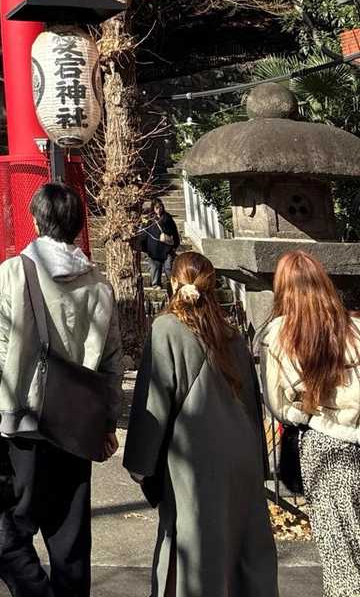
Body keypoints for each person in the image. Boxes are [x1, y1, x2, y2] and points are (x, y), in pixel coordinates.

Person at [0, 183, 123, 597]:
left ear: (37, 222)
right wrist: (108, 421)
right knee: (70, 546)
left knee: (9, 536)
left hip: (24, 424)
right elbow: (112, 362)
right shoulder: (99, 285)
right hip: (76, 428)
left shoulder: (14, 273)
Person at [124, 250, 277, 597]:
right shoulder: (232, 335)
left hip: (195, 460)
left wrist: (141, 466)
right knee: (241, 553)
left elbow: (154, 401)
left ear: (173, 283)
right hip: (242, 458)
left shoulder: (167, 329)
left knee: (194, 558)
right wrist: (260, 464)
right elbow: (252, 403)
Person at [263, 250, 360, 597]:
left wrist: (304, 415)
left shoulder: (280, 335)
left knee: (341, 560)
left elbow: (277, 404)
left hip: (324, 447)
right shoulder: (353, 328)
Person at [136, 197, 180, 287]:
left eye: (160, 207)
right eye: (156, 208)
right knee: (155, 268)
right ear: (153, 208)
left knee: (169, 268)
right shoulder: (148, 220)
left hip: (167, 248)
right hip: (153, 249)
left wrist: (175, 245)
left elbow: (175, 233)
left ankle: (172, 284)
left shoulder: (168, 218)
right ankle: (156, 284)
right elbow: (144, 234)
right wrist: (143, 247)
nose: (159, 210)